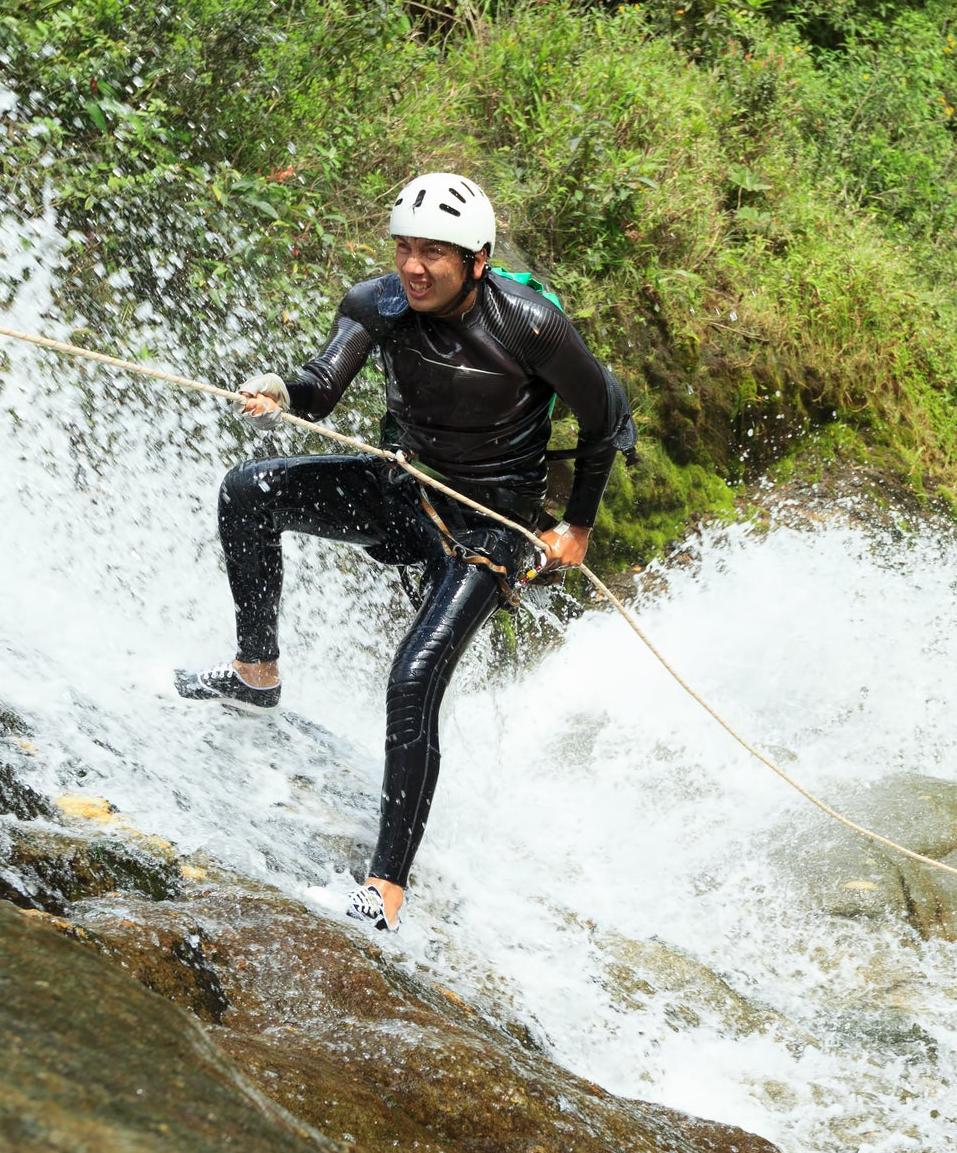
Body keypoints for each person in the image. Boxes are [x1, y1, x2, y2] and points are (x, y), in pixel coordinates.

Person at [176, 173, 633, 933]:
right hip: (404, 489)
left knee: (413, 677)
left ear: (476, 260)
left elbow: (606, 418)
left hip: (489, 526)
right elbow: (321, 388)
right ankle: (256, 671)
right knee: (249, 489)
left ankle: (385, 887)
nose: (414, 268)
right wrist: (279, 395)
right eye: (404, 248)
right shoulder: (376, 303)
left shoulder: (532, 326)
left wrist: (576, 528)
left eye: (434, 254)